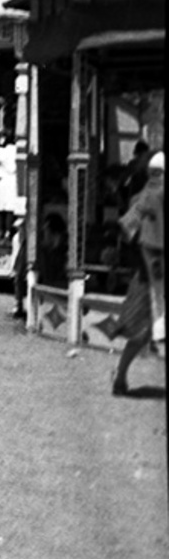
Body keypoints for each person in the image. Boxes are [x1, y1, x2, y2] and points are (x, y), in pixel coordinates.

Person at [111, 151, 164, 396]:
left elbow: (126, 229)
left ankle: (121, 377)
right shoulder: (146, 198)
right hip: (149, 273)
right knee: (142, 332)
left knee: (142, 333)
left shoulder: (143, 198)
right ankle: (120, 376)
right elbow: (127, 228)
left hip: (148, 271)